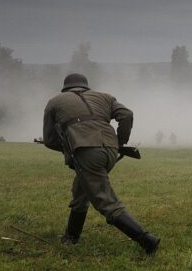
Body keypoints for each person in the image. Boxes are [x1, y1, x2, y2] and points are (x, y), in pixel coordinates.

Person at [42, 73, 159, 254]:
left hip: (87, 151)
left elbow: (49, 140)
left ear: (66, 88)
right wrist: (120, 142)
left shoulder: (55, 101)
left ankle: (145, 239)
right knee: (81, 190)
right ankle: (71, 236)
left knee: (104, 200)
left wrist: (71, 147)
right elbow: (126, 115)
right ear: (86, 86)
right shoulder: (105, 96)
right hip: (110, 149)